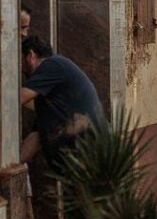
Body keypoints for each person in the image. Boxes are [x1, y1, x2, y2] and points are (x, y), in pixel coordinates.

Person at [21, 35, 103, 170]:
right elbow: (36, 138)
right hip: (82, 161)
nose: (20, 69)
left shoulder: (51, 65)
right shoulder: (50, 100)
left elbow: (18, 98)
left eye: (20, 62)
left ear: (31, 55)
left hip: (87, 158)